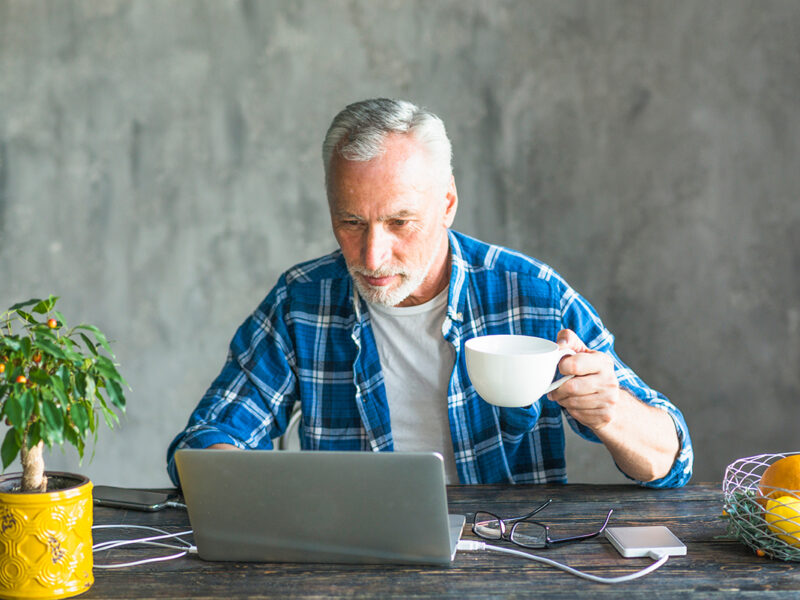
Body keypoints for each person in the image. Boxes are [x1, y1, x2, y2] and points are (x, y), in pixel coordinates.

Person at [167, 98, 692, 488]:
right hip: (350, 566)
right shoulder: (302, 301)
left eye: (400, 222)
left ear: (447, 204)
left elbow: (675, 459)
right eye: (351, 222)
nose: (372, 258)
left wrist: (610, 411)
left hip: (508, 566)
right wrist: (230, 467)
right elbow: (202, 444)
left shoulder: (531, 294)